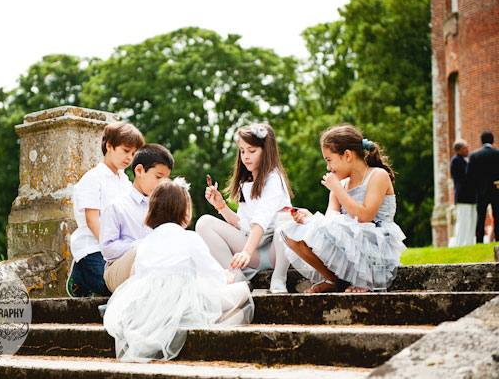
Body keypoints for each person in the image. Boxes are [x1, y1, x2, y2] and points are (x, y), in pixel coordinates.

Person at [103, 178, 254, 362]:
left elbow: (143, 278)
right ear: (183, 210)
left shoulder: (144, 243)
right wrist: (226, 278)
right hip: (186, 303)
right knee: (242, 293)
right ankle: (200, 337)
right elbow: (213, 274)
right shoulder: (190, 238)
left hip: (153, 307)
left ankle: (178, 335)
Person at [281, 124, 406, 293]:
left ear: (347, 155)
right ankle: (334, 280)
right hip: (352, 244)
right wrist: (309, 219)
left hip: (375, 244)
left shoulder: (378, 175)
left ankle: (365, 281)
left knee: (323, 228)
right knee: (293, 235)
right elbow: (330, 223)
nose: (328, 168)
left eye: (329, 160)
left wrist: (337, 190)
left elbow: (364, 217)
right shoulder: (340, 185)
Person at [195, 123, 294, 293]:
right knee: (204, 223)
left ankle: (279, 278)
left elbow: (261, 220)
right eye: (242, 151)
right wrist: (221, 206)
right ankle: (238, 279)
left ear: (266, 150)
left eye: (252, 151)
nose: (245, 156)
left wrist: (246, 252)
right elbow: (243, 225)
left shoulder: (275, 179)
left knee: (287, 218)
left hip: (275, 252)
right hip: (252, 252)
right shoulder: (244, 183)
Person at [66, 121, 144, 298]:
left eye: (133, 154)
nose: (129, 158)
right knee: (113, 288)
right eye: (125, 151)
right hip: (93, 248)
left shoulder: (125, 182)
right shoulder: (93, 179)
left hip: (119, 248)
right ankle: (81, 275)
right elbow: (92, 220)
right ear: (109, 146)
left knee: (135, 283)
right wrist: (110, 247)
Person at [100, 143, 174, 293]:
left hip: (154, 267)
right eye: (158, 177)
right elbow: (107, 248)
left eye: (166, 179)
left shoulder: (163, 207)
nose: (163, 184)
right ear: (139, 170)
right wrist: (144, 244)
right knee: (144, 251)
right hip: (117, 269)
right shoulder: (117, 205)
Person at [466, 131, 499, 243]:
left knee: (480, 217)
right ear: (492, 140)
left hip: (480, 191)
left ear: (481, 141)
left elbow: (469, 175)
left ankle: (479, 240)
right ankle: (498, 238)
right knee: (497, 215)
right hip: (496, 189)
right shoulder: (497, 153)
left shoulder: (475, 155)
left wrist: (476, 186)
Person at [449, 139, 477, 247]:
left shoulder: (465, 160)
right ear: (458, 150)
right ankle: (460, 244)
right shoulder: (456, 161)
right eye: (465, 148)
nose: (467, 150)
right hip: (463, 197)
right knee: (463, 222)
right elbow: (465, 178)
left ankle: (470, 243)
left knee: (472, 221)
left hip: (471, 196)